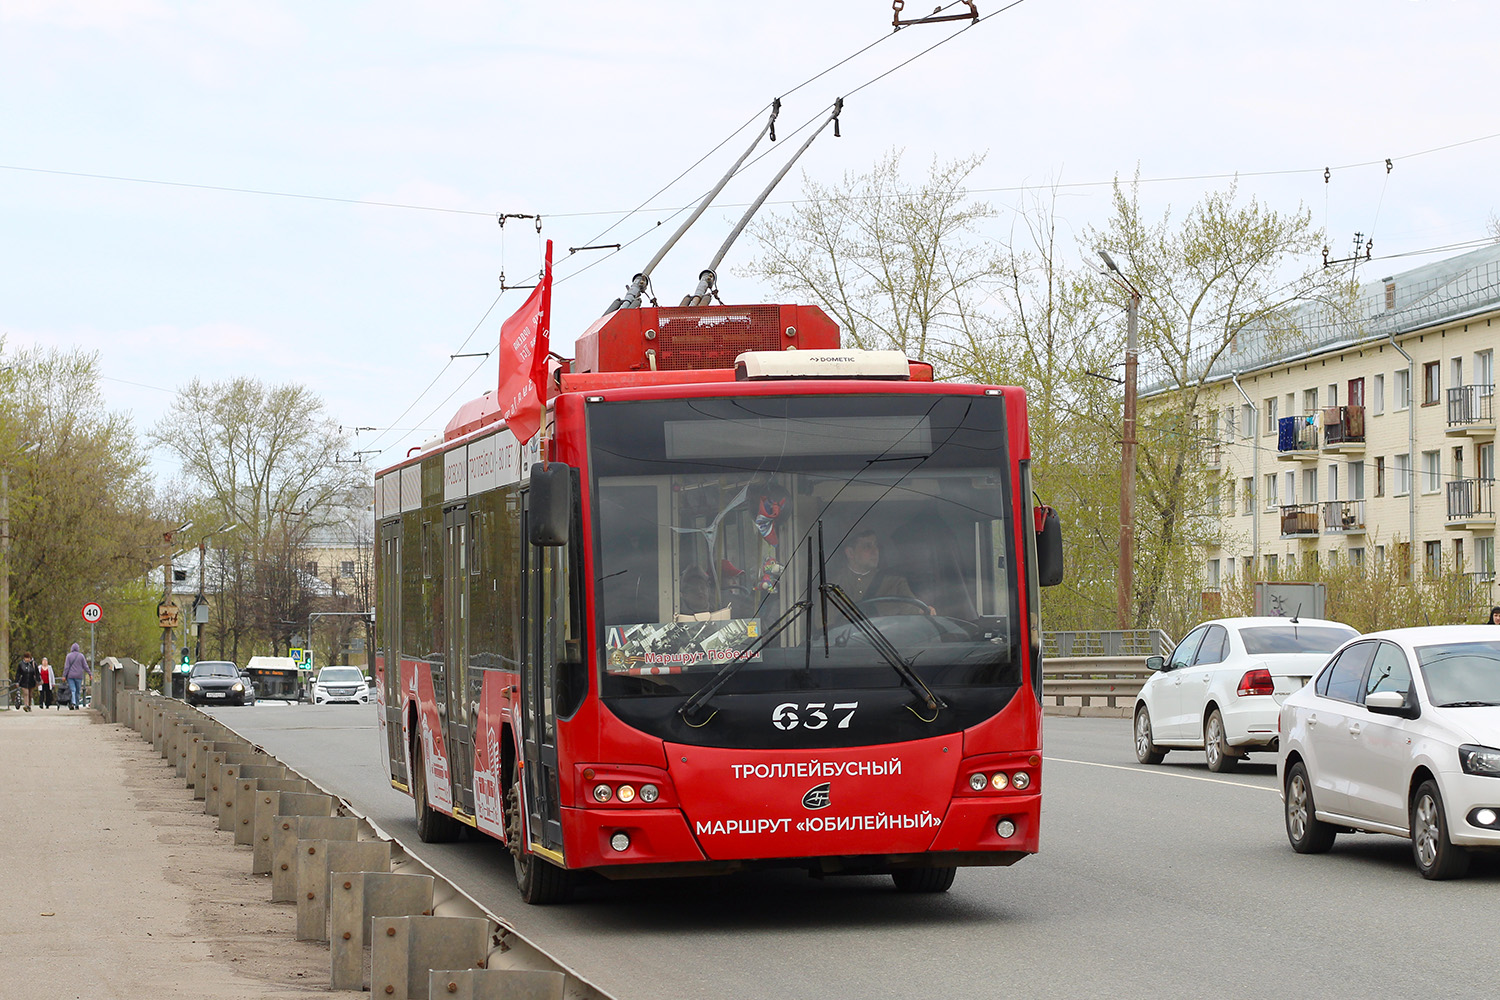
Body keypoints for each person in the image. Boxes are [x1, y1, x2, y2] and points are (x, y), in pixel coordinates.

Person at [827, 528, 929, 613]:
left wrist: (924, 612)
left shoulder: (895, 582)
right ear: (850, 553)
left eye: (876, 545)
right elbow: (824, 625)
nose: (875, 551)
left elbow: (913, 611)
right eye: (867, 546)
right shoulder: (832, 587)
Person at [62, 643, 91, 711]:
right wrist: (90, 674)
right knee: (78, 691)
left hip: (70, 676)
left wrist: (64, 676)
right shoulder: (81, 656)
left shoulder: (68, 656)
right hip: (79, 676)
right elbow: (85, 666)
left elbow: (66, 667)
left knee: (72, 690)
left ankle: (73, 702)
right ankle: (77, 705)